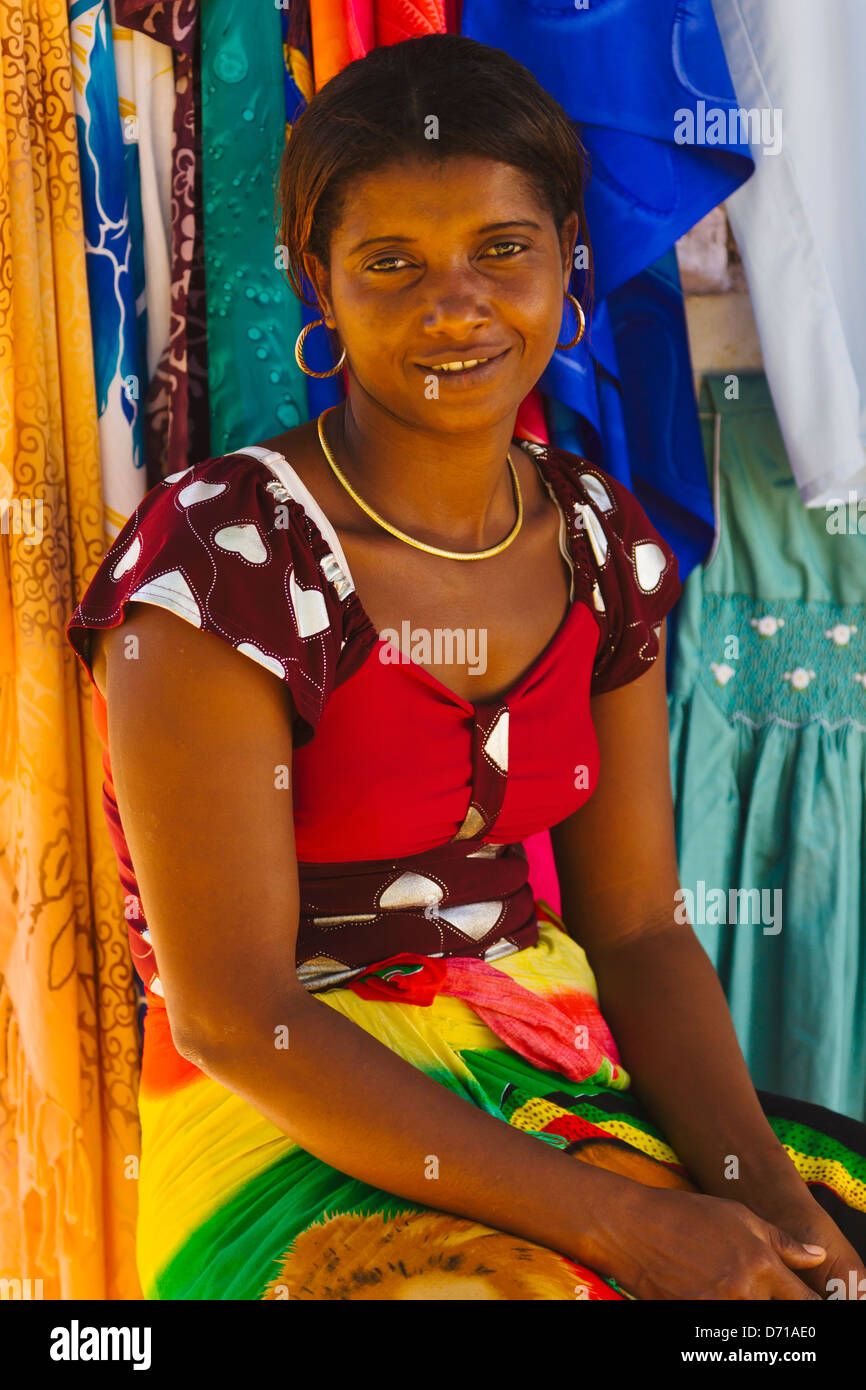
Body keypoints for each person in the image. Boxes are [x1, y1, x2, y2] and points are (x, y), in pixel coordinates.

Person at [66, 34, 866, 1301]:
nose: (456, 304)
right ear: (316, 283)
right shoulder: (221, 557)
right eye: (392, 263)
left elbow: (637, 930)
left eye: (502, 249)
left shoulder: (595, 537)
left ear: (567, 259)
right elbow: (235, 1015)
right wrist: (621, 1225)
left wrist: (767, 1197)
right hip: (288, 1115)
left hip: (543, 1057)